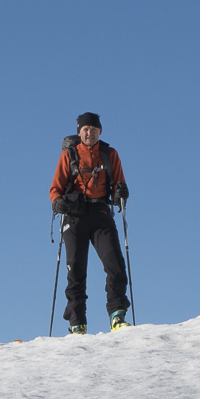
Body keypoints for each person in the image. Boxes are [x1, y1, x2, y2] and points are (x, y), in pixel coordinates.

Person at [49, 112, 131, 334]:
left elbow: (119, 187)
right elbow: (55, 188)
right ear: (79, 132)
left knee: (114, 263)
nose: (89, 133)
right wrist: (58, 203)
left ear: (100, 131)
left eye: (93, 129)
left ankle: (117, 315)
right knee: (76, 269)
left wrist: (122, 193)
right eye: (85, 129)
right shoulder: (70, 155)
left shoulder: (109, 154)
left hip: (101, 212)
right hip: (75, 216)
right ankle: (77, 323)